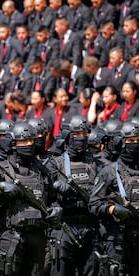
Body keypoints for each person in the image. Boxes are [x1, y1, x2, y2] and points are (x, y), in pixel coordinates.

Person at [0, 122, 62, 275]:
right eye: (23, 141)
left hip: (38, 236)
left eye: (31, 140)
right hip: (11, 237)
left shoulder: (42, 170)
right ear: (14, 143)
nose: (29, 144)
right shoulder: (0, 170)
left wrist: (56, 210)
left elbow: (53, 199)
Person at [50, 115, 99, 275]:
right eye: (77, 134)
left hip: (90, 227)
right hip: (65, 228)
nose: (82, 138)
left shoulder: (95, 163)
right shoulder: (55, 164)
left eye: (85, 134)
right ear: (67, 136)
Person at [89, 120, 139, 275]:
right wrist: (112, 209)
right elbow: (93, 204)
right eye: (131, 141)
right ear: (121, 143)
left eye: (138, 140)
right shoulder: (109, 172)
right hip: (118, 238)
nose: (135, 144)